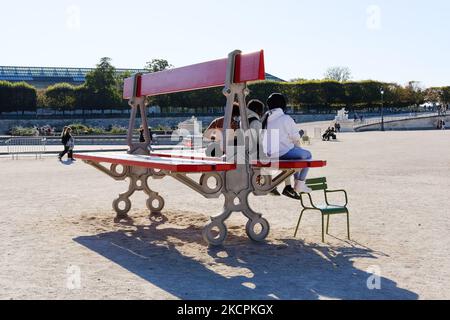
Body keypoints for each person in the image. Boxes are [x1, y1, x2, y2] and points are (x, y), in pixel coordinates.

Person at [262, 93, 313, 195]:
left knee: (297, 155)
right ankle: (300, 183)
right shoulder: (285, 118)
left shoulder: (265, 118)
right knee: (308, 155)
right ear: (283, 104)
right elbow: (296, 138)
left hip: (268, 155)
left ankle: (298, 184)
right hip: (282, 153)